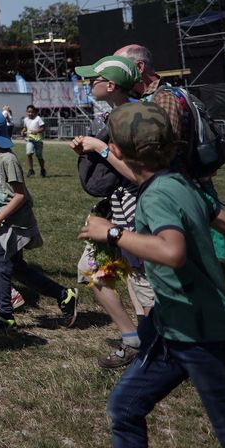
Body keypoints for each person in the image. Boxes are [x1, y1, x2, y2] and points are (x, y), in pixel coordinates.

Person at [80, 102, 225, 448]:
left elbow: (172, 252)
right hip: (172, 326)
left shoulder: (157, 195)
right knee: (124, 408)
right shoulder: (183, 183)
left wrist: (111, 233)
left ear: (118, 150)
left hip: (204, 333)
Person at [69, 55, 153, 370]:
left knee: (144, 285)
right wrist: (90, 148)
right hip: (117, 212)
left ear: (110, 85)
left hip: (137, 214)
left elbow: (138, 174)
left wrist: (99, 148)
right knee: (95, 270)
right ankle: (136, 339)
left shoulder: (133, 117)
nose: (89, 83)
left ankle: (149, 344)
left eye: (94, 79)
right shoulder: (117, 115)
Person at [0, 108, 78, 329]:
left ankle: (4, 315)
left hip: (14, 223)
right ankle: (64, 294)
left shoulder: (8, 159)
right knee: (17, 268)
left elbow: (20, 195)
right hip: (2, 219)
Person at [22, 105, 47, 177]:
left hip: (38, 140)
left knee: (39, 156)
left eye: (32, 112)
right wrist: (22, 131)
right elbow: (25, 128)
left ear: (35, 112)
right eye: (29, 112)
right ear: (26, 112)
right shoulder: (25, 119)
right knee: (29, 153)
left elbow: (43, 128)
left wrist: (37, 131)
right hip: (29, 139)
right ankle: (31, 170)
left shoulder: (38, 118)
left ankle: (42, 169)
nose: (30, 113)